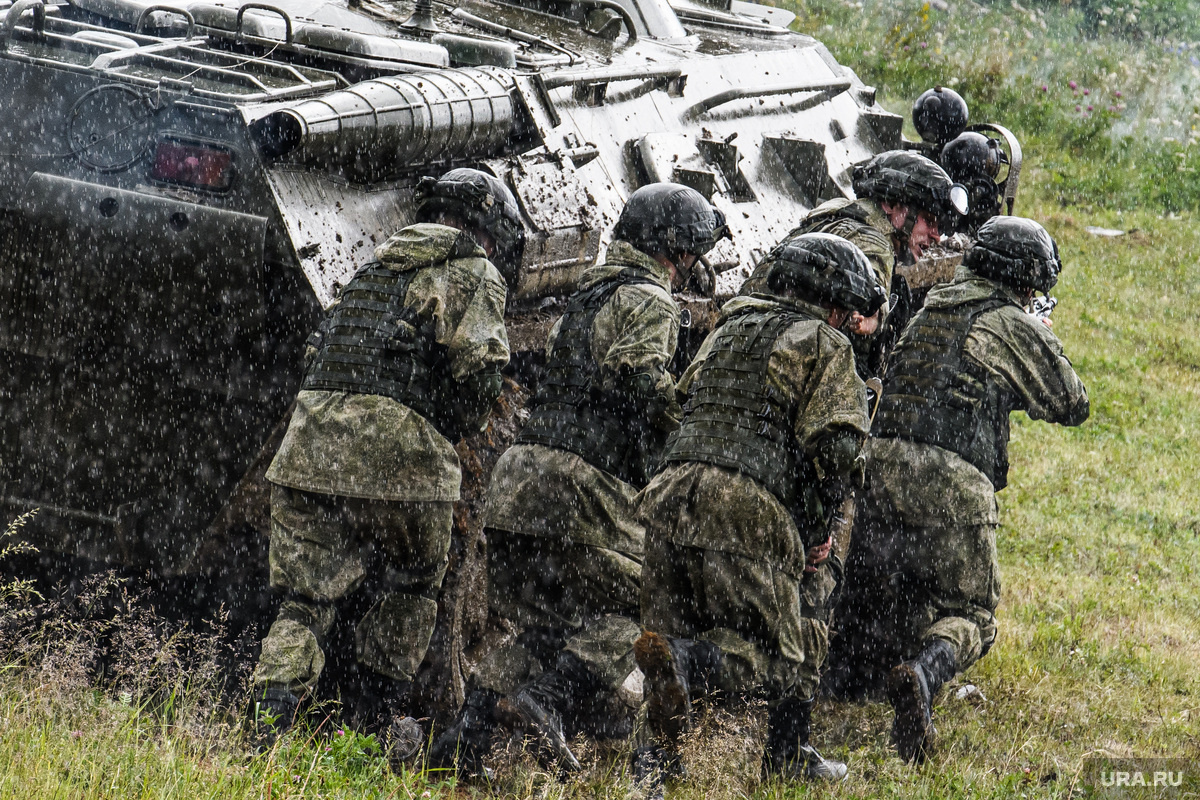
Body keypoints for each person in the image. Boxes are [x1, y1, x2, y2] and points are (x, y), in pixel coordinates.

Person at [429, 183, 727, 775]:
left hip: (521, 479)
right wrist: (691, 416)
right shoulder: (650, 298)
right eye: (693, 251)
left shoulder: (586, 294)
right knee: (645, 607)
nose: (696, 264)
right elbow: (638, 381)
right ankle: (549, 700)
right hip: (581, 485)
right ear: (672, 248)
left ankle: (461, 742)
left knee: (542, 624)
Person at [248, 168, 524, 762]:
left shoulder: (368, 271)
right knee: (414, 586)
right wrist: (441, 424)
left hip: (309, 449)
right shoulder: (472, 270)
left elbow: (316, 353)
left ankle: (265, 738)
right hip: (401, 457)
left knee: (303, 605)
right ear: (488, 231)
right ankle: (365, 729)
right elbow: (482, 376)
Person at [632, 232, 886, 793]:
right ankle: (776, 744)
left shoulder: (728, 328)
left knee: (671, 625)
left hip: (672, 493)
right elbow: (838, 449)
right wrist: (815, 530)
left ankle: (653, 767)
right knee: (777, 655)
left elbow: (675, 407)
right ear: (838, 306)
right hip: (745, 505)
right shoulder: (824, 344)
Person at [833, 216, 1089, 762]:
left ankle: (844, 679)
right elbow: (1071, 403)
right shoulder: (1011, 322)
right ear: (1026, 282)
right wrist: (1041, 331)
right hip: (951, 477)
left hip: (879, 465)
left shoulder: (934, 306)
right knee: (970, 613)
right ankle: (923, 677)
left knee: (884, 593)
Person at [786, 149, 968, 379]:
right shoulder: (874, 242)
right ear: (891, 203)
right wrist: (874, 315)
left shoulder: (828, 220)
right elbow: (868, 286)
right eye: (929, 220)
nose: (936, 237)